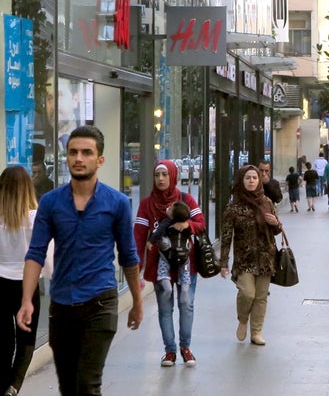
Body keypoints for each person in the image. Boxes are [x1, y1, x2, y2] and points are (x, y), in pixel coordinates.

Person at [17, 126, 143, 395]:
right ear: (66, 157)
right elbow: (35, 253)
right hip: (62, 306)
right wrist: (27, 300)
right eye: (73, 152)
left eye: (87, 152)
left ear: (100, 160)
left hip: (100, 303)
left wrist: (137, 302)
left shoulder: (117, 203)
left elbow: (129, 256)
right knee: (68, 385)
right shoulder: (50, 203)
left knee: (87, 384)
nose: (78, 158)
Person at [134, 160, 205, 368]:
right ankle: (170, 351)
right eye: (157, 175)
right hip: (160, 265)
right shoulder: (147, 204)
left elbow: (201, 224)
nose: (161, 179)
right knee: (165, 308)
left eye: (165, 174)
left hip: (186, 263)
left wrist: (187, 225)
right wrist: (136, 268)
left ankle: (185, 347)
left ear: (173, 176)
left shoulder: (186, 199)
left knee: (186, 304)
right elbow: (139, 236)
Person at [220, 165, 283, 346]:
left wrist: (275, 223)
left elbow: (278, 230)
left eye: (254, 178)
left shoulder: (267, 202)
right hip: (244, 259)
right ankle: (242, 319)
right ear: (241, 180)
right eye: (248, 178)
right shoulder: (234, 206)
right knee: (248, 293)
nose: (252, 181)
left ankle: (256, 332)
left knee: (261, 296)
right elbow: (226, 236)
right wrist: (223, 262)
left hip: (265, 257)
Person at [1, 167, 39, 396]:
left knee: (4, 340)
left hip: (0, 283)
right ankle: (13, 386)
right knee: (26, 340)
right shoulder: (36, 219)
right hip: (27, 285)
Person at [148, 201, 192, 296]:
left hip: (167, 255)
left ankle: (167, 289)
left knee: (163, 271)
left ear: (173, 215)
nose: (168, 208)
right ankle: (185, 289)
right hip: (184, 256)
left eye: (170, 208)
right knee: (185, 272)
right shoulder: (186, 225)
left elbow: (158, 232)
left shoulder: (167, 222)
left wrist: (150, 242)